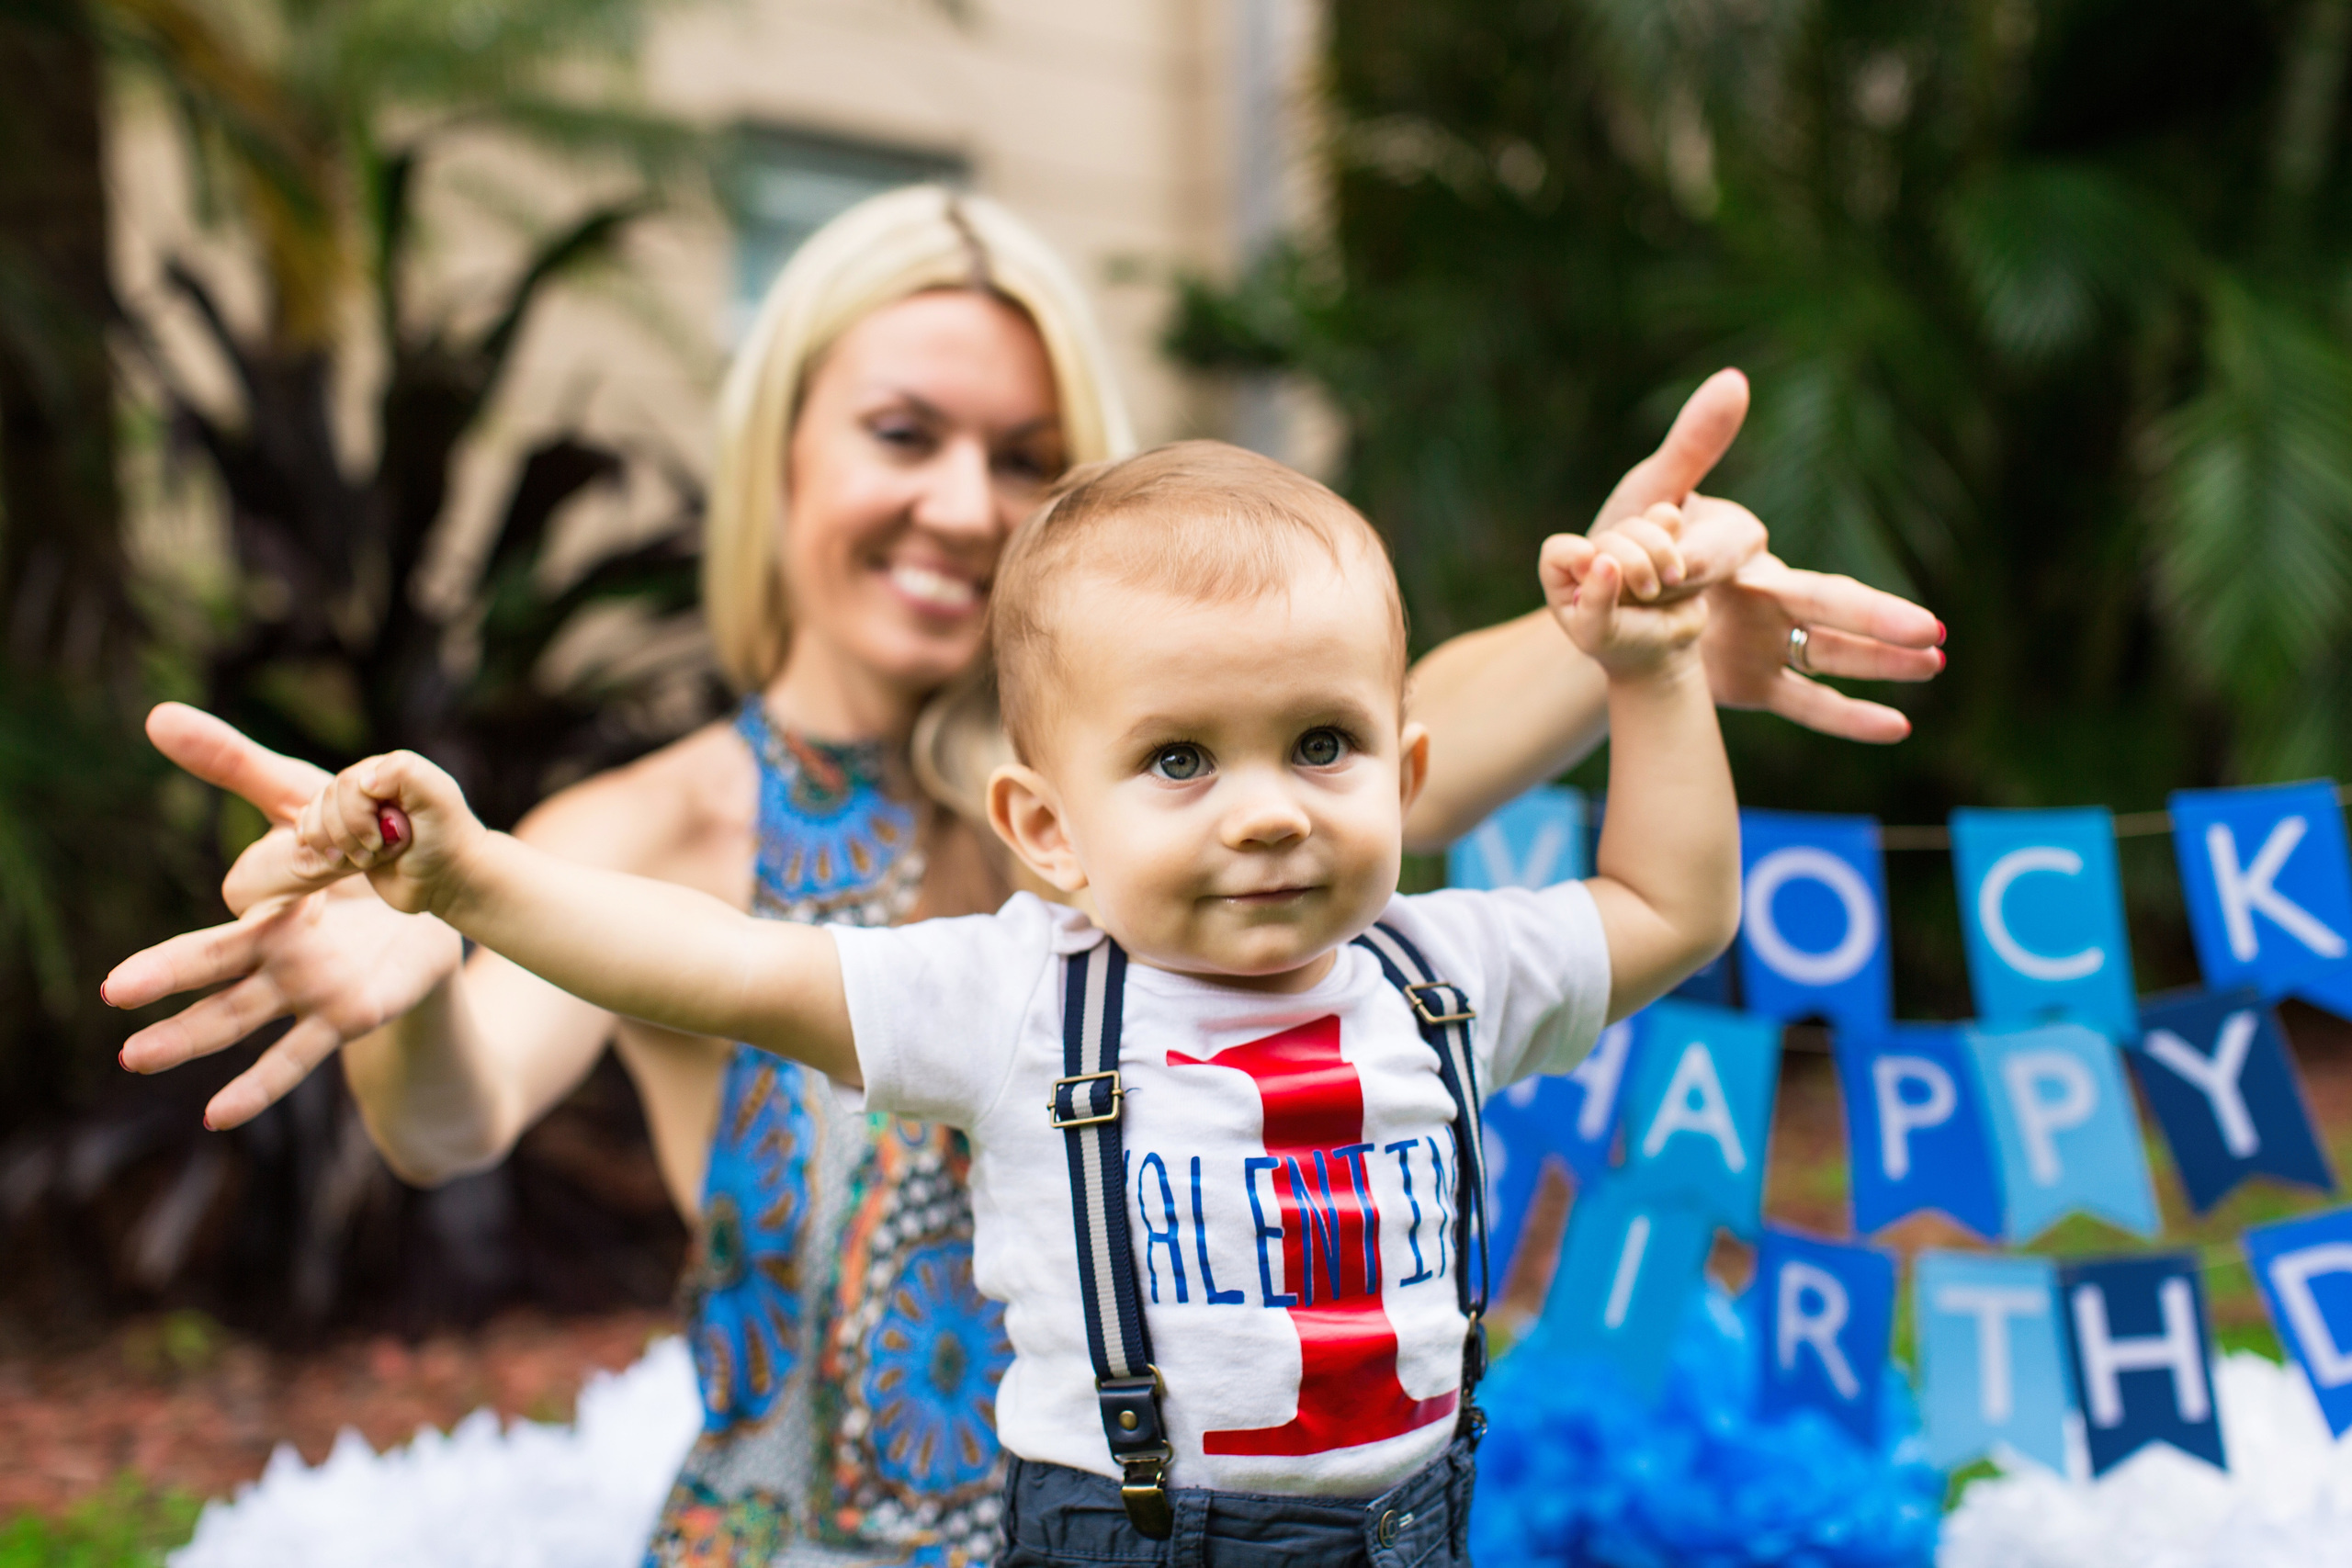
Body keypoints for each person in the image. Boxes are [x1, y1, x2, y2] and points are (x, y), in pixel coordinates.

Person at [102, 186, 1940, 1566]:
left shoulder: (1174, 811)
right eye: (904, 433)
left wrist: (1633, 627)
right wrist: (420, 965)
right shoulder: (665, 830)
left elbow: (1394, 726)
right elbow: (459, 1108)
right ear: (782, 446)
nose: (965, 500)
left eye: (1028, 454)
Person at [201, 437, 1742, 1566]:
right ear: (1049, 831)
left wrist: (1656, 669)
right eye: (1182, 760)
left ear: (1405, 776)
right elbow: (728, 963)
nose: (1269, 810)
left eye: (1323, 745)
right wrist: (472, 881)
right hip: (1121, 1538)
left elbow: (1670, 911)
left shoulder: (1446, 968)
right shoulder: (1015, 996)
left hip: (1408, 1531)